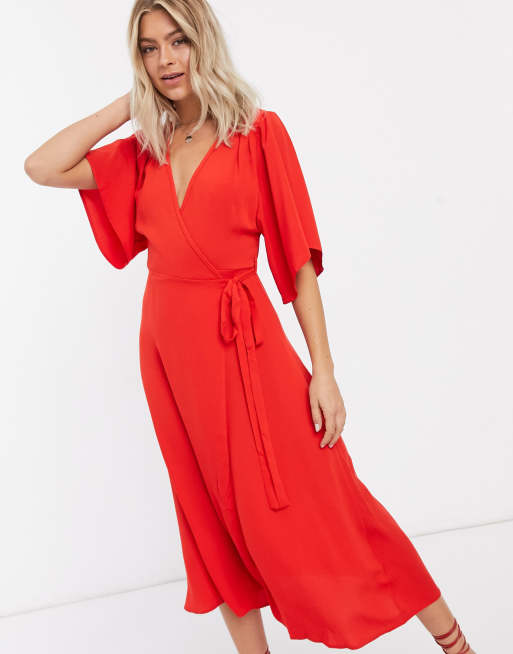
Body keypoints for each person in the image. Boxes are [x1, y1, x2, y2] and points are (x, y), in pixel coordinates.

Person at [24, 1, 476, 653]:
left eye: (177, 41)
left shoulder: (259, 133)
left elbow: (298, 264)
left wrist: (323, 372)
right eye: (149, 49)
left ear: (203, 41)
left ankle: (455, 643)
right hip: (170, 358)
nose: (166, 59)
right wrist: (131, 103)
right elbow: (42, 166)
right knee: (209, 517)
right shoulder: (145, 152)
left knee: (333, 499)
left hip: (247, 346)